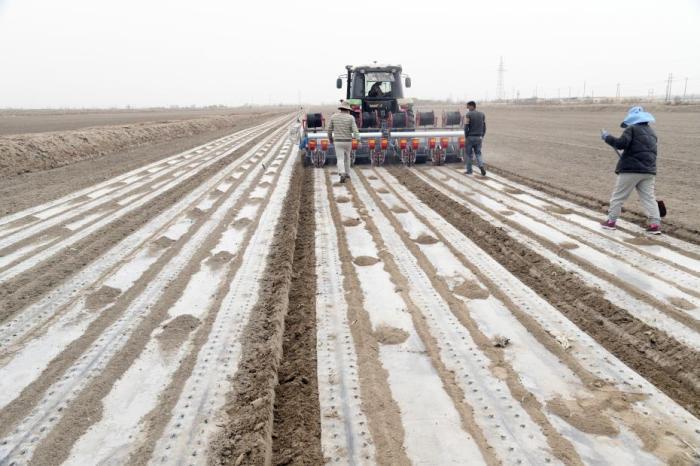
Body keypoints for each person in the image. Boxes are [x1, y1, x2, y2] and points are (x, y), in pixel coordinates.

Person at [600, 106, 661, 234]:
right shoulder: (652, 132)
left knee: (618, 197)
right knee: (649, 198)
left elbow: (621, 144)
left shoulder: (631, 128)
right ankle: (655, 224)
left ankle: (611, 222)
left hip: (631, 170)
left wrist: (607, 137)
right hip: (649, 171)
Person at [327, 101, 359, 183]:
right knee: (347, 157)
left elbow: (329, 129)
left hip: (338, 141)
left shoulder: (333, 117)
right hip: (348, 141)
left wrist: (330, 138)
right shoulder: (351, 118)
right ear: (348, 109)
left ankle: (342, 173)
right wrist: (358, 139)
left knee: (340, 158)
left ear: (340, 108)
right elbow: (355, 130)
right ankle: (347, 173)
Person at [464, 101, 487, 176]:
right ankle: (481, 166)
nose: (467, 108)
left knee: (469, 154)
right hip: (479, 138)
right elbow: (484, 127)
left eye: (468, 107)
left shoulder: (468, 115)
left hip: (470, 137)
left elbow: (466, 126)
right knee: (478, 153)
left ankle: (469, 170)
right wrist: (482, 136)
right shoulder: (482, 114)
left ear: (472, 106)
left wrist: (466, 136)